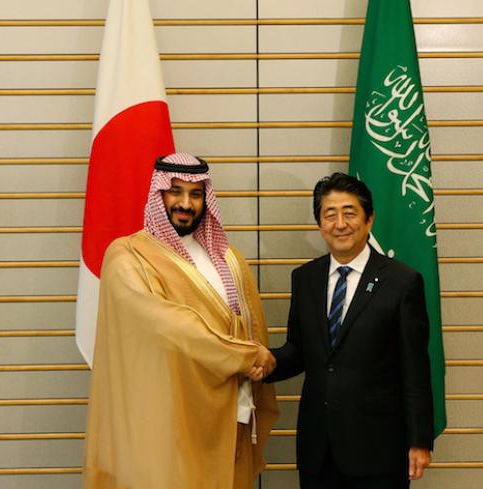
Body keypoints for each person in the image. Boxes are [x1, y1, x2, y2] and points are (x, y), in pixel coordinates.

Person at [82, 152, 278, 489]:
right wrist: (247, 356)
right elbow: (170, 326)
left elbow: (253, 329)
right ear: (158, 195)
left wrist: (260, 361)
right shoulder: (128, 256)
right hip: (167, 426)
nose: (185, 203)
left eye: (196, 194)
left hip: (231, 420)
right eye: (175, 192)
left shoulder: (229, 259)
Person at [267, 172, 434, 488]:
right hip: (319, 448)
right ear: (320, 225)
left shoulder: (402, 282)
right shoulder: (305, 279)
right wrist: (258, 362)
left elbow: (415, 369)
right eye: (329, 215)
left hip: (379, 449)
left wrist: (419, 440)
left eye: (349, 213)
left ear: (369, 220)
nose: (339, 223)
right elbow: (298, 351)